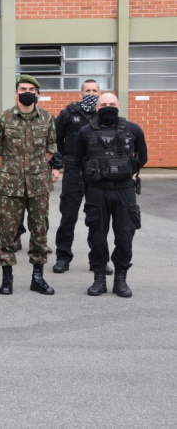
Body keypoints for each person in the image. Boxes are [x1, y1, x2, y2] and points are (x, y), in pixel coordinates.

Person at [0, 74, 60, 296]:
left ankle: (37, 278)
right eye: (22, 88)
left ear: (37, 93)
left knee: (39, 231)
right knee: (6, 232)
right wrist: (13, 168)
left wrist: (34, 168)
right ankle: (7, 278)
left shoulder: (48, 118)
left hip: (38, 184)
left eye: (31, 89)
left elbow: (50, 149)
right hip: (11, 185)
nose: (27, 92)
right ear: (16, 92)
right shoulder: (4, 118)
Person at [74, 93, 147, 297]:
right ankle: (99, 278)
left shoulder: (133, 129)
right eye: (104, 104)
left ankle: (121, 279)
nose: (108, 107)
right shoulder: (86, 132)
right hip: (97, 191)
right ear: (97, 107)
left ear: (119, 106)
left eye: (111, 104)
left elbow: (143, 156)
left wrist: (122, 172)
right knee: (97, 235)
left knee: (125, 236)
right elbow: (79, 159)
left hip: (125, 190)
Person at [53, 79, 108, 274]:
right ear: (80, 94)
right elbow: (55, 137)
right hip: (74, 169)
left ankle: (98, 260)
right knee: (68, 215)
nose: (91, 93)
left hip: (98, 173)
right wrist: (59, 161)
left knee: (97, 217)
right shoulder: (69, 112)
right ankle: (63, 257)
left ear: (100, 93)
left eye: (94, 90)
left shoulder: (105, 113)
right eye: (87, 90)